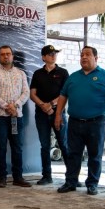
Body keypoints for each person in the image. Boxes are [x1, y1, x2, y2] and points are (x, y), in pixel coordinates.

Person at [55, 46, 105, 196]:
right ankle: (71, 182)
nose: (84, 57)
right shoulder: (73, 77)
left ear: (96, 58)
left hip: (96, 122)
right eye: (82, 55)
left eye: (88, 55)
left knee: (95, 155)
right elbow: (63, 96)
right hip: (75, 122)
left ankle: (92, 184)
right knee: (73, 154)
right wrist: (58, 115)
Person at [0, 45, 32, 188]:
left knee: (17, 146)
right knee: (1, 146)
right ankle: (2, 178)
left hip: (16, 116)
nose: (6, 56)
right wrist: (7, 106)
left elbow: (26, 92)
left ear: (12, 56)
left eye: (8, 54)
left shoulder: (21, 74)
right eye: (3, 54)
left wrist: (15, 105)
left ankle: (18, 177)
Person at [30, 44, 70, 185]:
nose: (53, 56)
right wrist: (43, 105)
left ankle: (71, 177)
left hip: (58, 113)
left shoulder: (63, 72)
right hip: (41, 114)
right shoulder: (37, 74)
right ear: (43, 57)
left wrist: (51, 105)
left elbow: (65, 93)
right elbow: (32, 94)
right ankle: (47, 176)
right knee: (44, 145)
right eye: (50, 54)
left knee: (64, 144)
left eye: (55, 54)